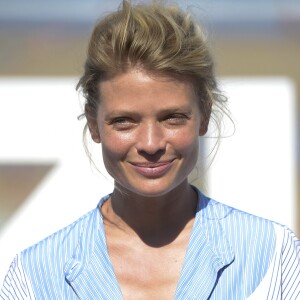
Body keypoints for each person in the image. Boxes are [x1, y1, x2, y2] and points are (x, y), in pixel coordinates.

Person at [1, 0, 299, 299]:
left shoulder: (274, 254)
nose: (151, 143)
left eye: (172, 118)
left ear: (204, 116)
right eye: (124, 122)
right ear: (94, 124)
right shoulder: (35, 277)